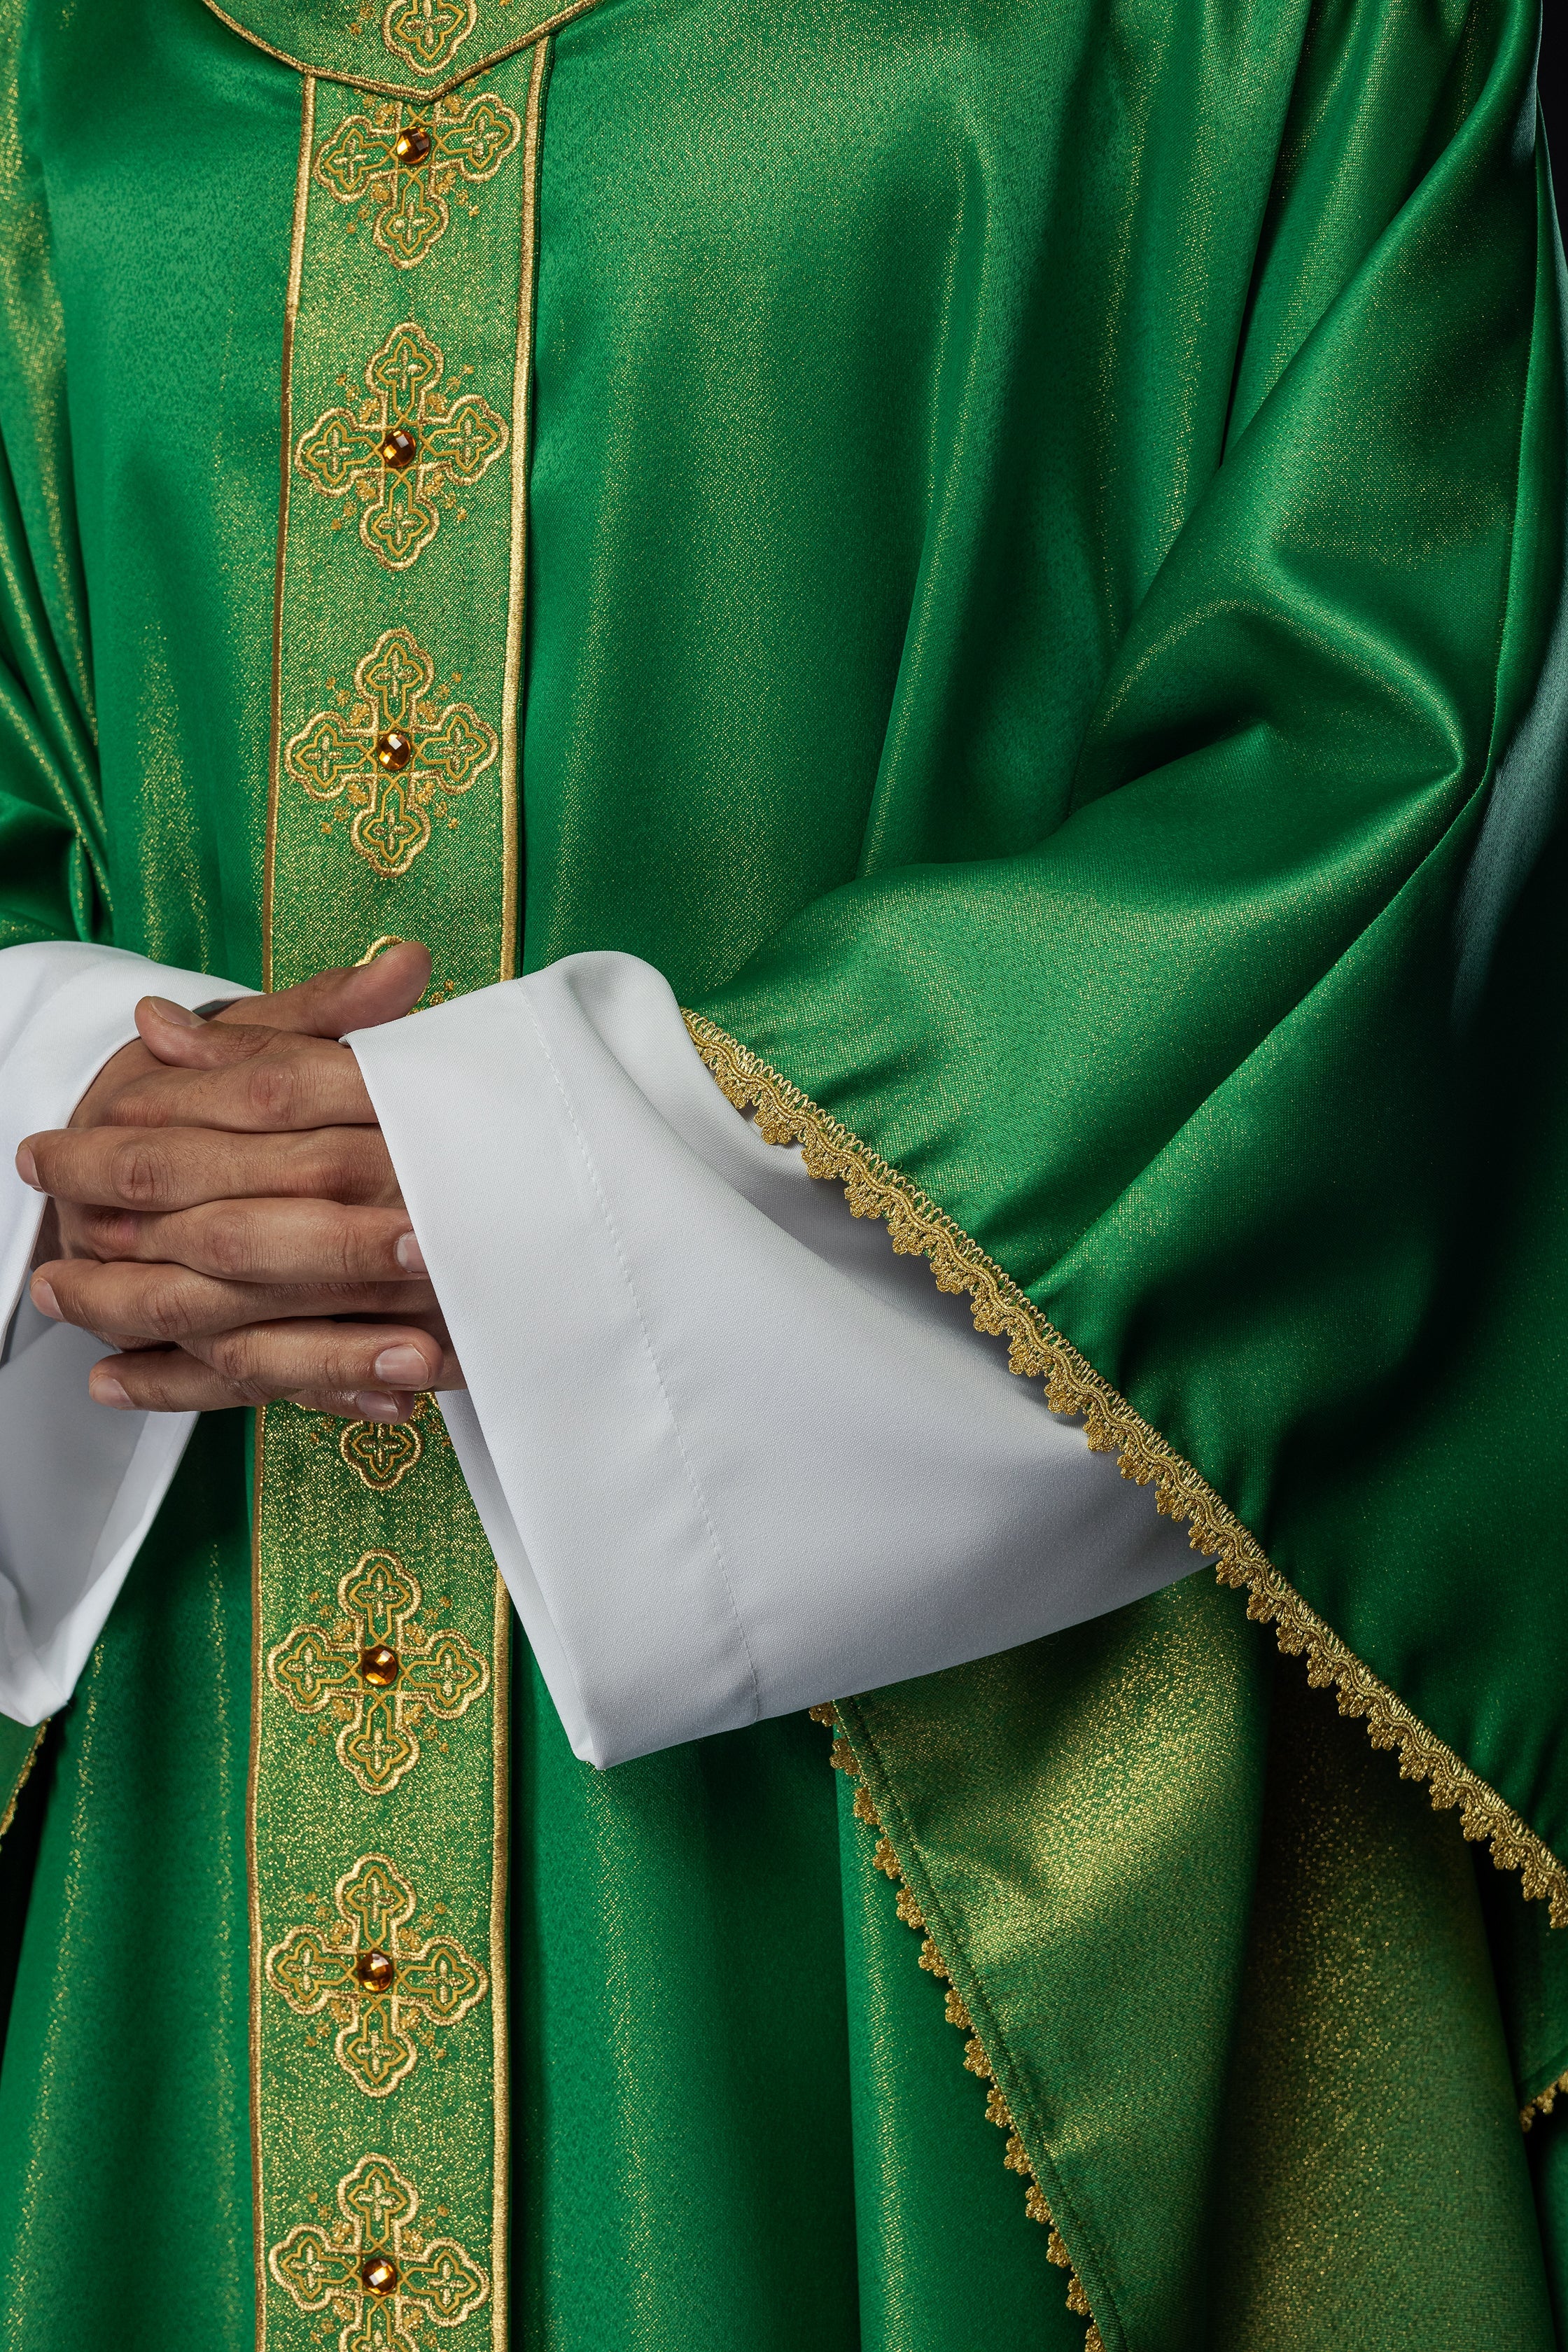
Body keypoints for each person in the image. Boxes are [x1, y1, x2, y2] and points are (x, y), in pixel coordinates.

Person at [1, 0, 1565, 2341]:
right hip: (164, 1689)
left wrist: (558, 1197)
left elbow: (1391, 781)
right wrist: (74, 1119)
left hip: (964, 1788)